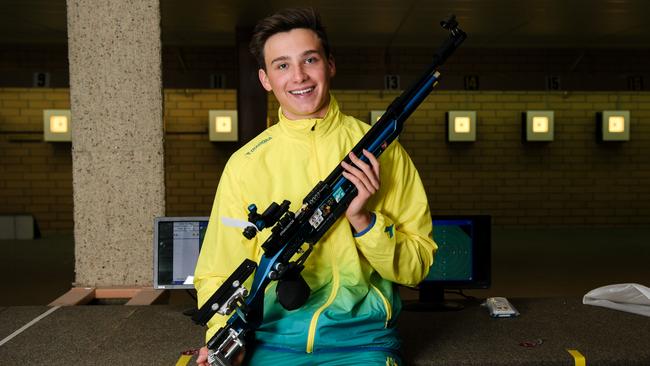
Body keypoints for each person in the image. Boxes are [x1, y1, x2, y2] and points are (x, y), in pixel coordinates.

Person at [194, 7, 436, 366]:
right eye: (282, 65)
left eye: (310, 59)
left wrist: (364, 222)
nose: (299, 76)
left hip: (363, 342)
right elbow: (217, 272)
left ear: (330, 65)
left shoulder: (381, 150)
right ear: (265, 79)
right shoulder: (244, 164)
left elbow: (417, 268)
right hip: (271, 342)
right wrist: (224, 337)